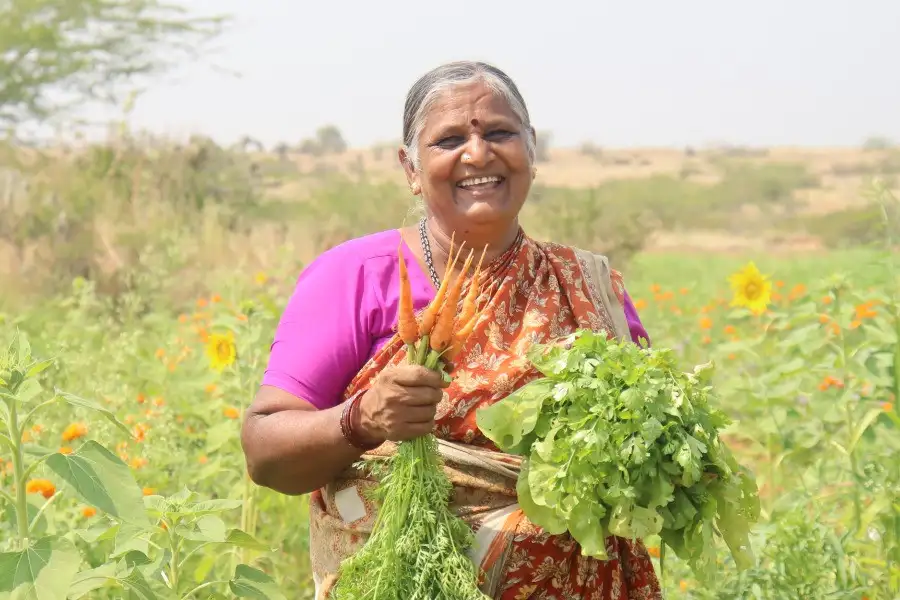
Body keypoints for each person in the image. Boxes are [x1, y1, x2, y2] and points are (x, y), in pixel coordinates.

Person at [241, 60, 662, 599]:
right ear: (411, 168)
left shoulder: (586, 285)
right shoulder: (356, 277)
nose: (479, 154)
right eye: (449, 139)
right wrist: (362, 419)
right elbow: (265, 454)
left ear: (532, 149)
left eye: (500, 133)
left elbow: (648, 453)